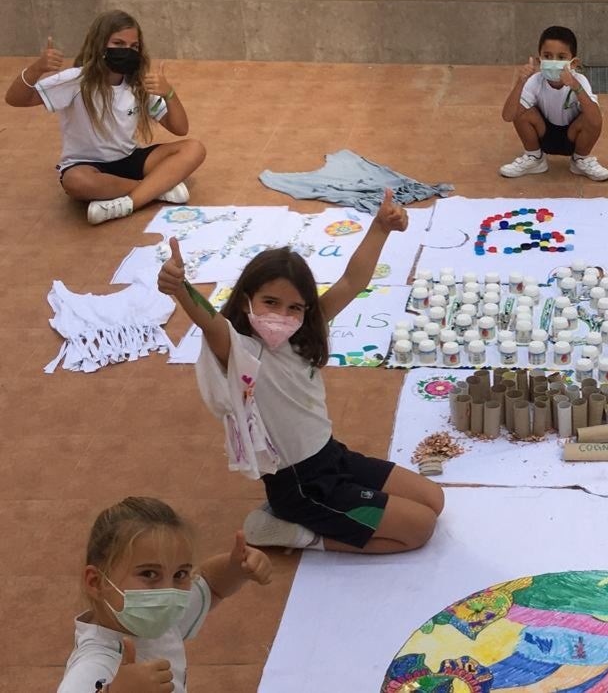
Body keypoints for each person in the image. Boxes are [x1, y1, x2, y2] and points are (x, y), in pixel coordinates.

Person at [159, 189, 445, 553]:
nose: (282, 315)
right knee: (419, 529)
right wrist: (180, 289)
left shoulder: (306, 333)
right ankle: (290, 531)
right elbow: (210, 322)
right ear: (246, 298)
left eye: (294, 307)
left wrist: (380, 227)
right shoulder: (239, 350)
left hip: (333, 456)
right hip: (299, 482)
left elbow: (350, 282)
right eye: (270, 302)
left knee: (434, 499)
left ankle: (302, 517)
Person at [3, 10, 206, 225]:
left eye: (133, 46)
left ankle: (129, 203)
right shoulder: (76, 81)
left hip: (129, 158)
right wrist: (37, 68)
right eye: (118, 44)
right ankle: (155, 189)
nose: (127, 51)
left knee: (194, 148)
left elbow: (180, 128)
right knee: (75, 182)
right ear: (100, 45)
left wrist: (169, 93)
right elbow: (15, 99)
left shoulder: (138, 84)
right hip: (88, 165)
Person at [58, 497, 271, 693]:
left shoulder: (160, 617)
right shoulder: (94, 663)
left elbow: (211, 584)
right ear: (96, 582)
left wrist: (235, 568)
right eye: (149, 574)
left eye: (180, 574)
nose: (168, 591)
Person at [499, 25, 608, 181]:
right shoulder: (534, 81)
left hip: (572, 136)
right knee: (521, 109)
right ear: (540, 60)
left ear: (573, 63)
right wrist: (520, 82)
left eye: (561, 57)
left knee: (591, 113)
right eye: (548, 56)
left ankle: (580, 160)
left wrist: (575, 87)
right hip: (543, 133)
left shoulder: (580, 81)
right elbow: (508, 116)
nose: (553, 62)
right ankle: (534, 158)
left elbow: (595, 120)